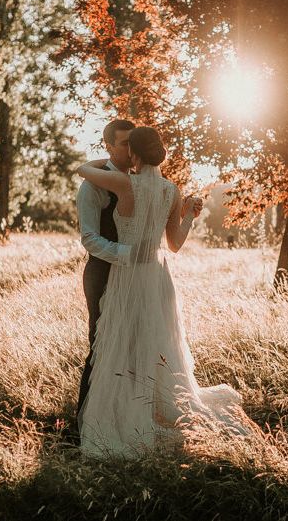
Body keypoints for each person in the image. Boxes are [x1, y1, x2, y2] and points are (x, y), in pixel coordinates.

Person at [75, 126, 252, 458]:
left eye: (131, 149)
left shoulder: (124, 183)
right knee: (157, 343)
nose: (126, 154)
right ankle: (155, 407)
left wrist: (101, 159)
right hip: (158, 276)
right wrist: (188, 215)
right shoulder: (172, 190)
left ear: (136, 155)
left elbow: (83, 169)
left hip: (129, 276)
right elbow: (175, 244)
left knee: (117, 345)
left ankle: (124, 415)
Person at [74, 119, 135, 429]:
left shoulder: (141, 180)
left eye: (133, 142)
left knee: (133, 345)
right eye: (124, 143)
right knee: (100, 345)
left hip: (137, 277)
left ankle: (123, 416)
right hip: (102, 272)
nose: (130, 149)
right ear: (109, 146)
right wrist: (127, 256)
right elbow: (89, 238)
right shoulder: (93, 184)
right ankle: (84, 423)